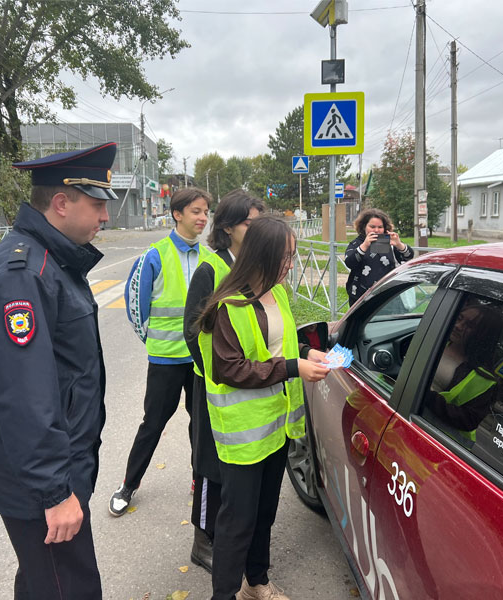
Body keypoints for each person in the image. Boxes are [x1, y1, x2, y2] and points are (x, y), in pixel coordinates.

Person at [0, 142, 117, 599]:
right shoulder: (23, 275)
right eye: (97, 205)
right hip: (43, 485)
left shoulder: (52, 261)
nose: (105, 217)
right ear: (61, 203)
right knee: (70, 590)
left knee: (41, 583)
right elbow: (25, 397)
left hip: (54, 472)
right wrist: (55, 492)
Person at [196, 215, 330, 600]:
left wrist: (307, 352)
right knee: (237, 522)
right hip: (243, 436)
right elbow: (228, 368)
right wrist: (293, 367)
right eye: (285, 257)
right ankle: (223, 594)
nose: (291, 265)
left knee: (264, 514)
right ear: (262, 255)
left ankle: (257, 582)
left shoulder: (278, 293)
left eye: (293, 256)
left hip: (277, 429)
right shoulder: (228, 305)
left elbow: (279, 346)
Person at [109, 187, 212, 516]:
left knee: (201, 424)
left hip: (199, 361)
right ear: (177, 214)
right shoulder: (153, 255)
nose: (203, 218)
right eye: (196, 211)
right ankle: (128, 485)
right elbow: (135, 307)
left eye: (206, 212)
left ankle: (200, 480)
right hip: (165, 360)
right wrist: (153, 342)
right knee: (152, 423)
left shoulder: (209, 257)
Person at [183, 190, 265, 573]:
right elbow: (191, 332)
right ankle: (203, 542)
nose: (256, 227)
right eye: (250, 222)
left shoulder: (257, 269)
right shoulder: (211, 270)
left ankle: (231, 536)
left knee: (236, 468)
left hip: (249, 387)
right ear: (228, 227)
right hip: (216, 388)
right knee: (211, 466)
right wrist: (222, 374)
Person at [426, 302, 503, 442]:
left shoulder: (484, 379)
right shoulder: (436, 342)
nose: (458, 326)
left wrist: (426, 396)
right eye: (459, 318)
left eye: (469, 326)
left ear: (484, 335)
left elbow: (469, 420)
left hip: (439, 442)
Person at [344, 208, 414, 306]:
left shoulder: (389, 242)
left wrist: (399, 244)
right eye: (372, 226)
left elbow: (408, 256)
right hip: (361, 298)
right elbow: (349, 263)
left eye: (380, 227)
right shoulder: (357, 243)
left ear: (385, 228)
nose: (376, 230)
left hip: (388, 296)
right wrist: (365, 245)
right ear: (364, 226)